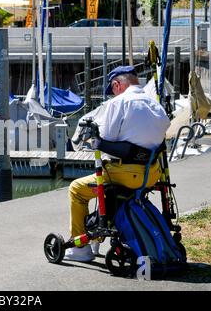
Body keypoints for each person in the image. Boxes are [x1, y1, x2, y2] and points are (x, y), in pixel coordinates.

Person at [65, 65, 170, 262]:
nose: (112, 93)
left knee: (76, 189)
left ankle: (80, 248)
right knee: (111, 186)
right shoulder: (156, 104)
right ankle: (98, 234)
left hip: (126, 174)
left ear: (117, 84)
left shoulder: (118, 103)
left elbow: (106, 140)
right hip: (151, 174)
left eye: (112, 89)